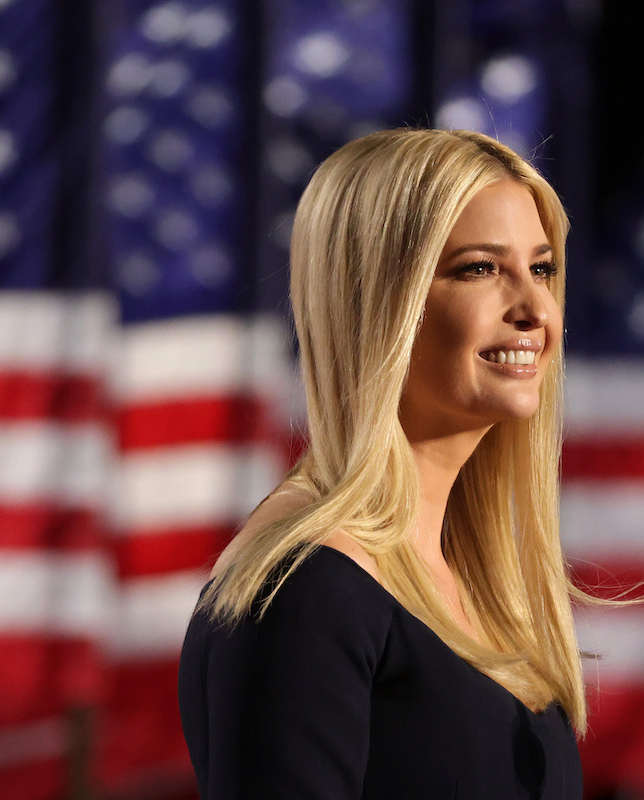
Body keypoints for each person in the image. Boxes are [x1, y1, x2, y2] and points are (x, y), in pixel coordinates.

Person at [178, 128, 589, 799]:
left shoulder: (478, 582)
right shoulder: (308, 589)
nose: (534, 309)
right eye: (480, 269)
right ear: (376, 300)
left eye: (542, 269)